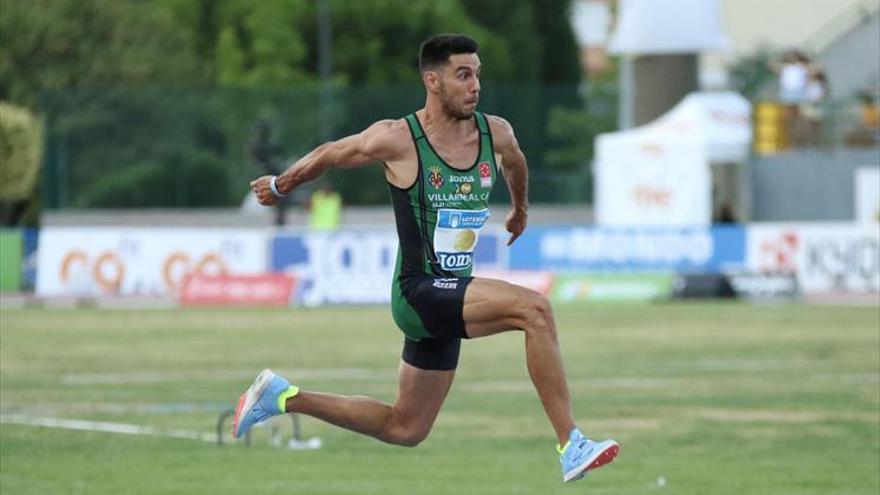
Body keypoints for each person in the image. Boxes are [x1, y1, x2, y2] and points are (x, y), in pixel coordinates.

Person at [232, 34, 618, 483]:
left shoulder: (497, 132)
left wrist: (521, 209)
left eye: (477, 74)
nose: (475, 85)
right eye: (463, 75)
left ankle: (281, 396)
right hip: (417, 293)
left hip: (449, 295)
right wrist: (281, 185)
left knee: (406, 427)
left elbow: (515, 161)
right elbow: (334, 154)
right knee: (535, 310)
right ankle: (571, 442)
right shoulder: (399, 139)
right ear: (432, 81)